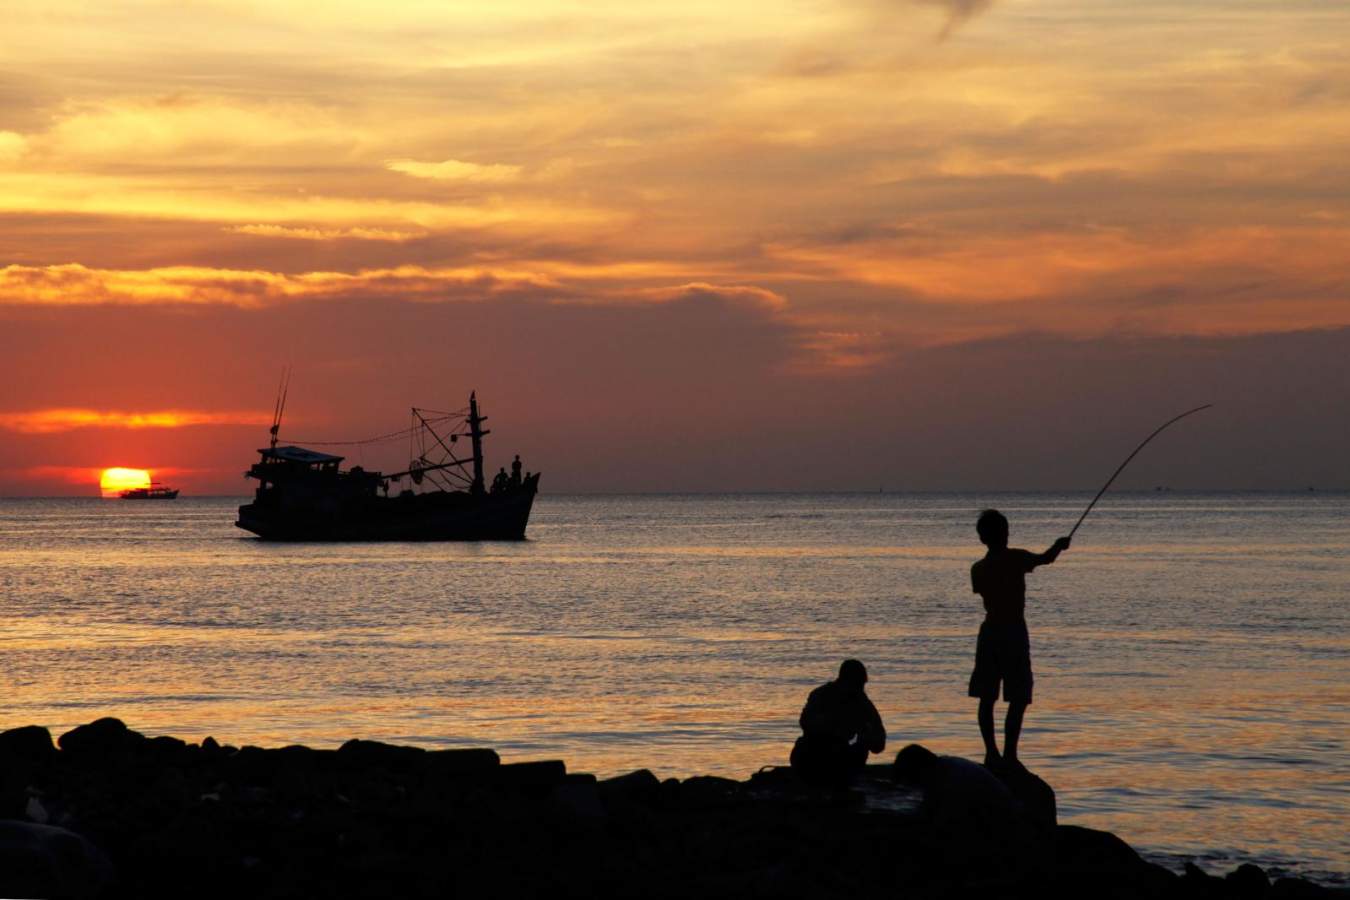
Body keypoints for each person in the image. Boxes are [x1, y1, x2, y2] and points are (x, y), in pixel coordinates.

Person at [968, 509, 1069, 770]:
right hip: (1013, 632)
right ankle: (1009, 755)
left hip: (990, 633)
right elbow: (1045, 559)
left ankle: (992, 754)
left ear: (982, 539)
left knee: (987, 697)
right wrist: (1058, 546)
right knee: (1019, 695)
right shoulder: (1016, 558)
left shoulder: (977, 569)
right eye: (1005, 530)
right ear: (1003, 533)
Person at [790, 659, 885, 786]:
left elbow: (878, 743)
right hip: (822, 758)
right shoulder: (859, 703)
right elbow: (878, 744)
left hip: (806, 758)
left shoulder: (821, 694)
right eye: (860, 684)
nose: (862, 689)